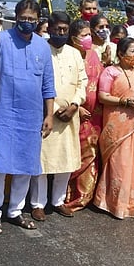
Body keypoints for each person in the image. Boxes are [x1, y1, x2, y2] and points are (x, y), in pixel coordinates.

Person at [0, 0, 55, 235]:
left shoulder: (43, 46)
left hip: (32, 115)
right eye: (23, 18)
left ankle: (15, 210)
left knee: (25, 165)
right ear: (16, 17)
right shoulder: (2, 39)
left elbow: (48, 84)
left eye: (32, 19)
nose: (27, 23)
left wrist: (49, 115)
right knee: (0, 165)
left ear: (38, 20)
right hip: (5, 113)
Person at [30, 16, 87, 220]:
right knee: (43, 161)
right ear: (49, 29)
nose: (61, 33)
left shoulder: (74, 53)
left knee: (66, 160)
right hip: (46, 115)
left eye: (64, 29)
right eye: (57, 29)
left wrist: (74, 105)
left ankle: (58, 201)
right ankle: (38, 203)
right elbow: (35, 82)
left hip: (70, 116)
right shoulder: (40, 51)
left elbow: (82, 82)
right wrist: (51, 110)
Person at [92, 38, 134, 219]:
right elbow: (103, 96)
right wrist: (124, 102)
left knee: (133, 162)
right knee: (119, 163)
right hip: (118, 123)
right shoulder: (110, 72)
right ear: (120, 53)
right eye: (131, 51)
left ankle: (130, 203)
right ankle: (111, 202)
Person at [65, 17, 107, 213]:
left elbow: (99, 81)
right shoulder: (68, 55)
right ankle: (67, 196)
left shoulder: (93, 54)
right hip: (73, 113)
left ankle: (85, 196)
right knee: (73, 155)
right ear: (74, 38)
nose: (88, 38)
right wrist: (77, 107)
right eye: (84, 35)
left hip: (95, 116)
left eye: (89, 34)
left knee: (91, 154)